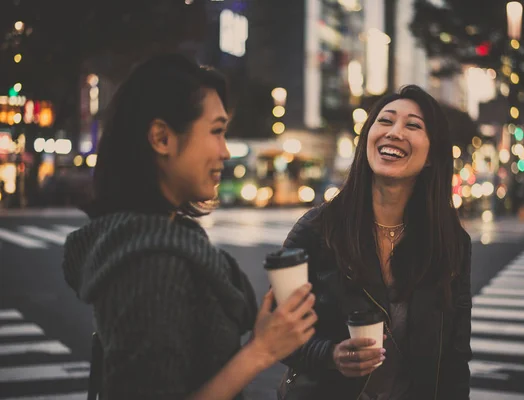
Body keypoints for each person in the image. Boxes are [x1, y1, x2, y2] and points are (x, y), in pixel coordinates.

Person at [62, 53, 317, 400]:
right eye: (216, 131)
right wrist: (261, 352)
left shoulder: (168, 238)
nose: (225, 151)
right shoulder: (150, 263)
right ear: (161, 138)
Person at [277, 85, 472, 400]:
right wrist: (330, 355)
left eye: (413, 125)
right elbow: (277, 331)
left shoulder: (451, 244)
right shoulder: (316, 230)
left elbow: (455, 358)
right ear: (367, 137)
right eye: (385, 121)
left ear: (433, 156)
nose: (394, 133)